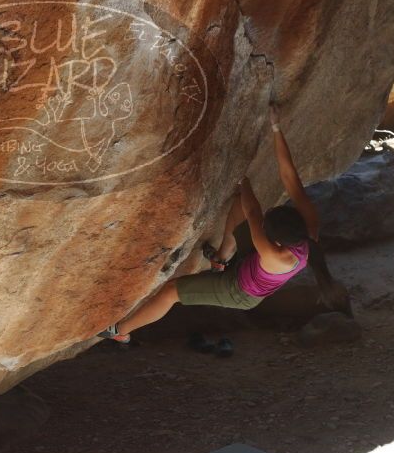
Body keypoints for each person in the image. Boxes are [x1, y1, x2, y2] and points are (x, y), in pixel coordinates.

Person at [98, 103, 347, 344]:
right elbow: (289, 175)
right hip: (253, 263)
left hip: (239, 290)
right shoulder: (309, 226)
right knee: (239, 203)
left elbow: (253, 211)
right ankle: (221, 260)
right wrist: (276, 127)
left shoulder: (275, 255)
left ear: (277, 240)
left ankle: (121, 331)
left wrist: (243, 179)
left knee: (172, 291)